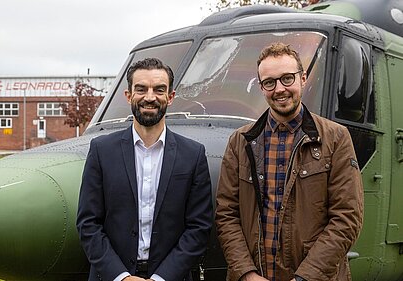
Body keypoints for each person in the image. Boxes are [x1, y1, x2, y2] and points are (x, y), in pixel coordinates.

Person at [215, 43, 363, 281]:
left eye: (287, 78)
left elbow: (346, 218)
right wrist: (246, 273)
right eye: (270, 82)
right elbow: (226, 214)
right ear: (262, 87)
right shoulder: (240, 142)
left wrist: (305, 277)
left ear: (303, 79)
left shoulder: (336, 138)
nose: (279, 89)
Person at [76, 58, 213, 281]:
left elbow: (198, 228)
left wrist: (161, 278)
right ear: (128, 95)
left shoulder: (193, 155)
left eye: (159, 90)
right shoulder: (101, 151)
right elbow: (88, 223)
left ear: (170, 96)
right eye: (141, 89)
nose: (150, 97)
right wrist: (121, 277)